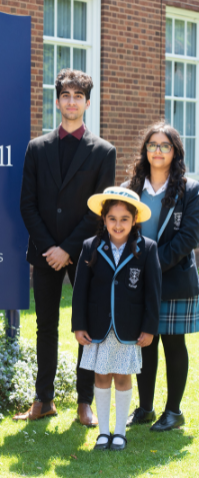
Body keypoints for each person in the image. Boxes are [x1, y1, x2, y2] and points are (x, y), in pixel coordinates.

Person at [15, 69, 116, 425]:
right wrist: (49, 248)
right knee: (45, 325)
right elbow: (27, 203)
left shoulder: (104, 151)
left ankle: (84, 402)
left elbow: (100, 210)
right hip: (43, 252)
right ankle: (43, 400)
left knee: (85, 326)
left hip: (84, 251)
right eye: (66, 95)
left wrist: (68, 249)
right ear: (57, 101)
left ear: (87, 103)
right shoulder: (37, 148)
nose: (71, 101)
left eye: (78, 96)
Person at [72, 187, 161, 450]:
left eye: (124, 219)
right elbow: (79, 291)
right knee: (101, 376)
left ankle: (120, 432)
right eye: (112, 218)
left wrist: (149, 327)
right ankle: (103, 433)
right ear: (103, 219)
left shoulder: (147, 249)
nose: (118, 225)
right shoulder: (91, 247)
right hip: (99, 327)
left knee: (122, 376)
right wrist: (79, 325)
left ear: (134, 221)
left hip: (129, 328)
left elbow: (153, 293)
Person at [124, 123, 199, 431]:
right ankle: (144, 408)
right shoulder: (131, 187)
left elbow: (188, 238)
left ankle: (173, 411)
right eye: (152, 145)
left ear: (175, 152)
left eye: (165, 145)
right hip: (140, 278)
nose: (157, 150)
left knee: (172, 343)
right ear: (145, 150)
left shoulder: (189, 189)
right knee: (145, 342)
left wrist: (152, 265)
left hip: (174, 278)